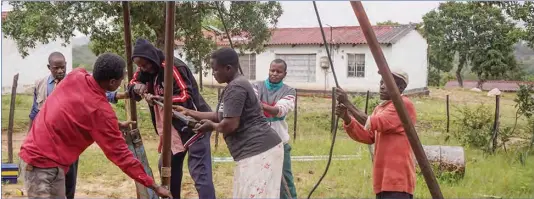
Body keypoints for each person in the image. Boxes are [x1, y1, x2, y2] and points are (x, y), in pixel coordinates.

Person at [18, 53, 172, 199]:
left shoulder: (76, 75)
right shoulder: (100, 111)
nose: (121, 83)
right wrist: (154, 186)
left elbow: (77, 108)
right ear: (112, 82)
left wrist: (114, 124)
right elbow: (121, 155)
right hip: (41, 165)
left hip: (46, 159)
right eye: (121, 79)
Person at [175, 47, 284, 198]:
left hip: (259, 151)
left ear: (228, 68)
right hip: (253, 152)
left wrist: (210, 127)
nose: (213, 73)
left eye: (215, 69)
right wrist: (188, 112)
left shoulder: (236, 87)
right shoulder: (234, 85)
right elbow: (219, 115)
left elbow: (230, 125)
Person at [25, 52, 128, 199]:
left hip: (68, 141)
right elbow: (35, 111)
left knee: (68, 179)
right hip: (46, 142)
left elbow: (96, 98)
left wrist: (123, 96)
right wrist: (29, 136)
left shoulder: (73, 80)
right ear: (49, 68)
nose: (60, 71)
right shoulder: (40, 84)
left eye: (63, 67)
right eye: (56, 68)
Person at [125, 38, 215, 199]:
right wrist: (136, 86)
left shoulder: (172, 67)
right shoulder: (146, 70)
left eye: (145, 64)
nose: (143, 68)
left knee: (200, 173)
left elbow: (185, 95)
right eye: (140, 66)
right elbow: (132, 82)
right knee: (167, 167)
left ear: (151, 58)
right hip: (173, 130)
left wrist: (158, 99)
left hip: (195, 125)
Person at [335, 69, 416, 199]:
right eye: (381, 82)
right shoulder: (381, 108)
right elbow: (369, 136)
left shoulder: (403, 105)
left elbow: (375, 122)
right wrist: (347, 118)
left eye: (387, 83)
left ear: (400, 87)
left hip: (397, 179)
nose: (382, 86)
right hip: (382, 180)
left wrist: (348, 103)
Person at [252, 58, 297, 199]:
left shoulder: (289, 91)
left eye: (279, 71)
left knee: (285, 181)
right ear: (269, 70)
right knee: (259, 180)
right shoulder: (256, 86)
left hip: (280, 143)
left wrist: (260, 105)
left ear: (285, 74)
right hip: (258, 143)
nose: (275, 74)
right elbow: (249, 106)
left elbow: (279, 110)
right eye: (272, 70)